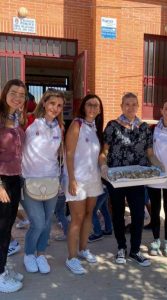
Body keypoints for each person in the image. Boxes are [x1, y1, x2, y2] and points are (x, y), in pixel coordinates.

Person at [100, 92, 163, 267]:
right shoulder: (112, 126)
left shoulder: (144, 128)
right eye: (127, 104)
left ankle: (135, 250)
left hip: (137, 179)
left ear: (137, 106)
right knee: (118, 213)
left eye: (134, 104)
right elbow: (104, 152)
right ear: (121, 106)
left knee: (137, 214)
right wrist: (103, 166)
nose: (130, 107)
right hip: (117, 179)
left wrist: (159, 166)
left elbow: (150, 154)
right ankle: (121, 247)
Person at [21, 89, 65, 275]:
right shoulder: (29, 121)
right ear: (44, 102)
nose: (55, 108)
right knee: (37, 222)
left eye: (60, 105)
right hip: (29, 179)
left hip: (51, 181)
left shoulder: (59, 127)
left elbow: (59, 155)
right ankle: (29, 254)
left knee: (47, 223)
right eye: (52, 103)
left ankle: (41, 254)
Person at [64, 94, 104, 275]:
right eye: (90, 104)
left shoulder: (96, 128)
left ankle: (82, 249)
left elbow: (98, 155)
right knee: (77, 218)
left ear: (100, 109)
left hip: (93, 179)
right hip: (77, 179)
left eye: (96, 105)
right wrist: (71, 178)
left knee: (89, 214)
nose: (93, 108)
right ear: (83, 106)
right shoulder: (76, 124)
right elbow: (69, 154)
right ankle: (71, 258)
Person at [0, 79, 27, 293]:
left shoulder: (17, 117)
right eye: (13, 92)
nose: (17, 96)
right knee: (0, 229)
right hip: (2, 180)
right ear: (5, 92)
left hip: (15, 178)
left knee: (7, 227)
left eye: (21, 93)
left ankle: (2, 266)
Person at [147, 98, 167, 257]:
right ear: (161, 111)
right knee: (155, 209)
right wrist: (155, 165)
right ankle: (155, 240)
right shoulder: (152, 129)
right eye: (166, 109)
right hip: (154, 176)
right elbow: (149, 152)